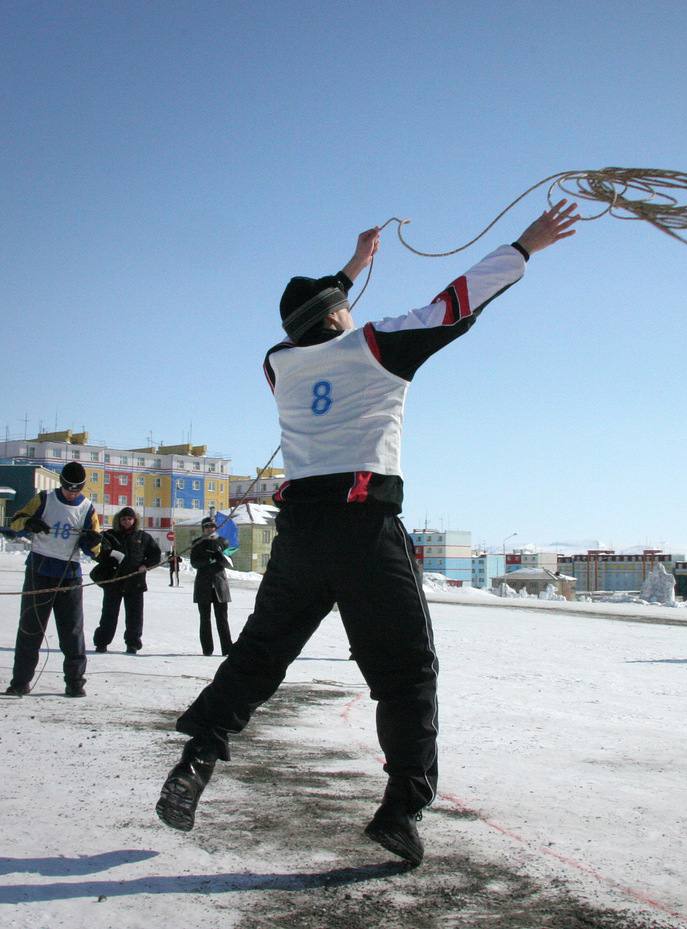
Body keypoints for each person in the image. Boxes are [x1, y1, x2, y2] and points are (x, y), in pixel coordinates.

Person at [155, 201, 579, 865]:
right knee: (407, 670)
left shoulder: (278, 365)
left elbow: (314, 319)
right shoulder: (376, 346)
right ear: (334, 316)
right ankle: (401, 807)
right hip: (364, 529)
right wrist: (526, 245)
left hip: (299, 534)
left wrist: (352, 267)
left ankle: (195, 760)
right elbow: (458, 302)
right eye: (342, 303)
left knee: (260, 655)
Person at [4, 461, 101, 697]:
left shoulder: (87, 508)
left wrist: (92, 542)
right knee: (30, 629)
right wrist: (29, 523)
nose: (71, 493)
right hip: (39, 571)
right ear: (61, 484)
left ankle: (75, 682)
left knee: (72, 632)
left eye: (76, 489)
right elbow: (15, 523)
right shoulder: (44, 499)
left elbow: (96, 549)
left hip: (69, 577)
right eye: (68, 488)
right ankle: (20, 682)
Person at [91, 507, 162, 654]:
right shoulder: (110, 535)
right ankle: (102, 642)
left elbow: (156, 555)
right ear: (119, 520)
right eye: (123, 519)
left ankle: (133, 644)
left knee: (135, 617)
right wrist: (109, 555)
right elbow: (98, 553)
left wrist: (145, 565)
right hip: (113, 581)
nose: (127, 522)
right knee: (109, 615)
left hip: (135, 582)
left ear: (134, 520)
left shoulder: (143, 537)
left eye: (129, 519)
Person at [190, 516, 232, 656]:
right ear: (203, 529)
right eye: (207, 527)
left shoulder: (222, 541)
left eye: (212, 526)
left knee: (222, 619)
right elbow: (194, 563)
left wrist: (219, 554)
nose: (210, 529)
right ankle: (207, 649)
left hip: (220, 585)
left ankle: (227, 649)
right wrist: (208, 560)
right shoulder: (197, 543)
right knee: (205, 619)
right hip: (203, 585)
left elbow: (227, 557)